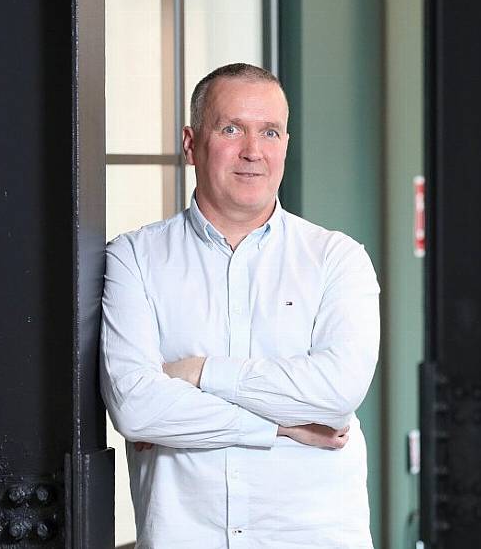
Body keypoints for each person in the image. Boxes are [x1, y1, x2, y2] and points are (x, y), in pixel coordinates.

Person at [100, 63, 379, 548]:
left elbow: (337, 393)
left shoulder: (338, 258)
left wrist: (200, 372)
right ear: (191, 143)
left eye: (269, 131)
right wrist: (283, 426)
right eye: (231, 129)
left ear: (285, 145)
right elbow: (138, 407)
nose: (253, 151)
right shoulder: (134, 259)